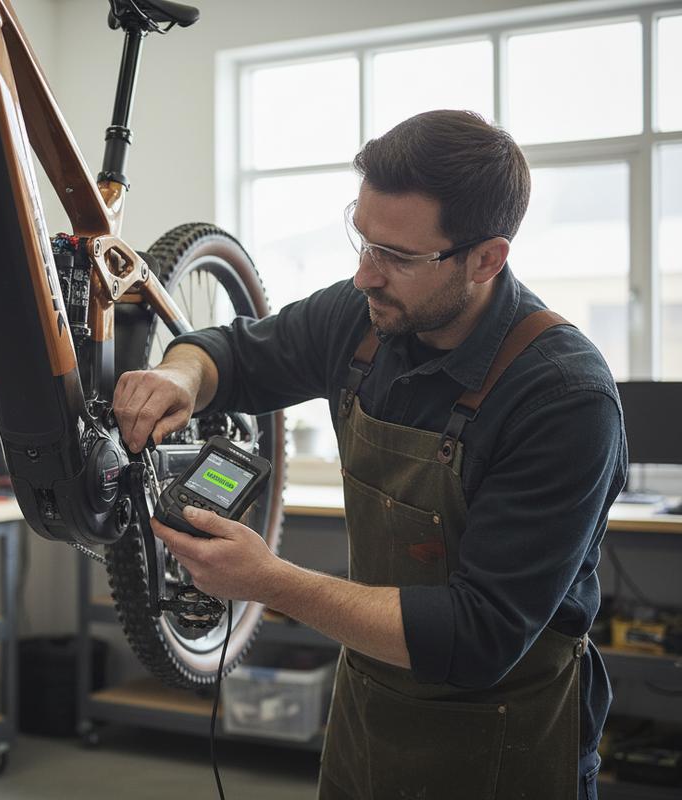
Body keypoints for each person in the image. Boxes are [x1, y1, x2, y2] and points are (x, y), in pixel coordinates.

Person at [113, 109, 625, 799]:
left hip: (504, 746)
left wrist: (270, 582)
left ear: (486, 258)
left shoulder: (563, 397)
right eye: (363, 239)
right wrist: (180, 376)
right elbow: (232, 353)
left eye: (398, 257)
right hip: (368, 722)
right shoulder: (364, 322)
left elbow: (478, 636)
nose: (364, 275)